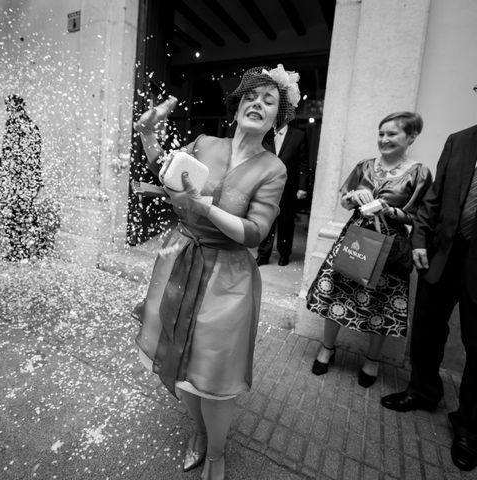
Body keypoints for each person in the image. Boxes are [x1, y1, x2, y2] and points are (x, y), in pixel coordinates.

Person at [134, 64, 299, 480]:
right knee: (179, 360)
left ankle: (217, 456)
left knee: (213, 371)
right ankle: (200, 431)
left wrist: (204, 205)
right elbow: (166, 173)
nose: (257, 103)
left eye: (269, 100)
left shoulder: (272, 169)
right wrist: (147, 133)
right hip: (179, 259)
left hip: (227, 278)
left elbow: (255, 232)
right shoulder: (206, 142)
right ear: (238, 102)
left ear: (278, 117)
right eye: (251, 95)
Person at [306, 112, 432, 388]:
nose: (384, 139)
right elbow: (344, 202)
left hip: (390, 245)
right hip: (357, 238)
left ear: (411, 137)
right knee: (337, 292)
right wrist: (352, 197)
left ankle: (372, 360)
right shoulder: (364, 166)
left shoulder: (420, 173)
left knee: (382, 303)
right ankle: (327, 347)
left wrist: (391, 210)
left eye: (392, 134)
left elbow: (421, 217)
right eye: (381, 133)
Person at [381, 110, 477, 471]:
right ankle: (423, 390)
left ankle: (468, 426)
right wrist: (420, 238)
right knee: (427, 327)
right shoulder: (460, 140)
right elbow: (433, 201)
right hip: (442, 254)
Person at [0, 94, 42, 261]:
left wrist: (11, 170)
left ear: (17, 107)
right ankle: (25, 249)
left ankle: (25, 249)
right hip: (20, 178)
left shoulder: (21, 126)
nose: (8, 110)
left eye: (10, 107)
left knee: (20, 214)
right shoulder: (20, 125)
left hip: (21, 179)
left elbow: (23, 154)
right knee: (21, 214)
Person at [256, 123, 309, 266]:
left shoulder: (299, 135)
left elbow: (303, 163)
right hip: (267, 187)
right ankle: (263, 254)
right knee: (266, 220)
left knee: (286, 222)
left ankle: (284, 253)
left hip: (289, 188)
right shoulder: (265, 133)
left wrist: (302, 187)